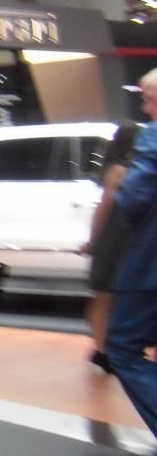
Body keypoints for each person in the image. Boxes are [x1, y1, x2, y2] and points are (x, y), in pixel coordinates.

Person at [83, 119, 143, 374]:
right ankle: (122, 348)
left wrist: (92, 240)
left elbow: (104, 208)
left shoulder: (116, 170)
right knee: (129, 298)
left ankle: (102, 351)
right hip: (135, 239)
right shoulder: (143, 170)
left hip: (114, 238)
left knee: (103, 297)